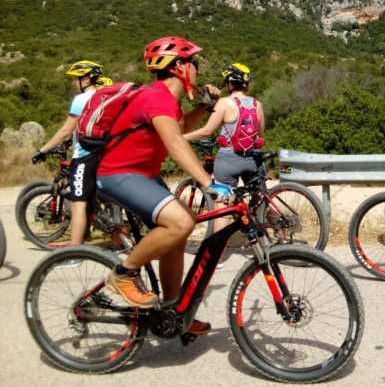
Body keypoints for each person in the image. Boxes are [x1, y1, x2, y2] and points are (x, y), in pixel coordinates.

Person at [96, 36, 229, 337]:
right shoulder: (156, 96)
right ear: (180, 66)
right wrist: (209, 183)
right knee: (180, 222)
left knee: (179, 231)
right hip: (119, 174)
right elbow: (175, 143)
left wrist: (204, 108)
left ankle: (173, 311)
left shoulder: (166, 100)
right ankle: (123, 274)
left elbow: (178, 128)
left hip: (141, 174)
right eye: (194, 63)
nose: (197, 68)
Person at [183, 62, 265, 267]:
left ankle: (217, 256)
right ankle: (261, 240)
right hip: (252, 159)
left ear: (229, 82)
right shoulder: (257, 104)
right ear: (246, 83)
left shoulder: (224, 103)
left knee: (222, 203)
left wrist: (181, 137)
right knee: (256, 195)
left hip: (228, 159)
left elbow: (206, 131)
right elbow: (260, 132)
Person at [32, 61, 112, 247]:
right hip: (102, 151)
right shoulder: (104, 96)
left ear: (85, 79)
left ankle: (74, 251)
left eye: (75, 79)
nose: (73, 83)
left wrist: (43, 150)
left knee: (78, 203)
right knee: (90, 197)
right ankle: (94, 236)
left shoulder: (81, 100)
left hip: (85, 155)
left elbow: (65, 131)